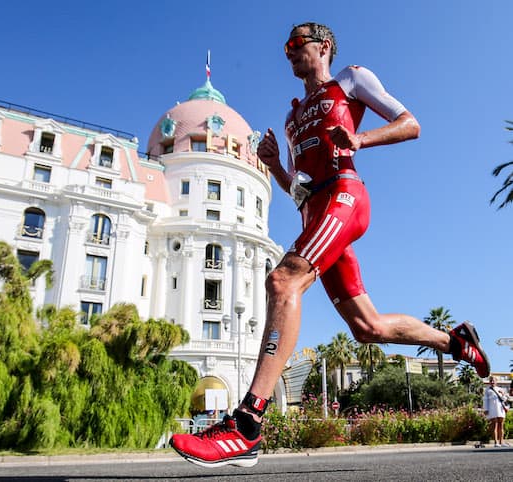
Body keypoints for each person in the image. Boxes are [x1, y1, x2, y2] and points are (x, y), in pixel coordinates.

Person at [170, 22, 491, 468]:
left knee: (283, 281)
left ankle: (246, 424)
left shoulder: (352, 79)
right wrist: (276, 167)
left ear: (324, 47)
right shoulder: (291, 118)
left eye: (296, 44)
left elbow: (410, 124)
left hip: (345, 195)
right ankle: (456, 342)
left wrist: (359, 139)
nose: (289, 53)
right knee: (368, 328)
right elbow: (298, 192)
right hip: (315, 211)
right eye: (285, 48)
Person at [483, 377, 509, 447]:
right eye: (491, 381)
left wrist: (503, 394)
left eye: (493, 381)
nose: (492, 382)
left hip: (501, 409)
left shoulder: (500, 389)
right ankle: (496, 442)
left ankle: (502, 442)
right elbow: (485, 400)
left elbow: (505, 399)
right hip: (492, 409)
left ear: (496, 381)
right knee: (495, 426)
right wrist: (486, 409)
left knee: (501, 426)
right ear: (489, 382)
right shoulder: (487, 390)